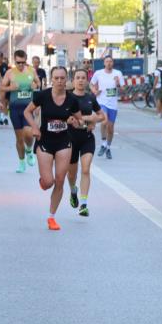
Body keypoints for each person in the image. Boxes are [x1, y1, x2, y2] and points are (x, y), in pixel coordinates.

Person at [22, 66, 87, 230]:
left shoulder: (72, 100)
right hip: (45, 141)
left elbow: (80, 120)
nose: (59, 81)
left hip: (63, 142)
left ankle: (51, 217)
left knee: (60, 180)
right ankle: (44, 182)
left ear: (66, 80)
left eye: (62, 78)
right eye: (56, 78)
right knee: (48, 182)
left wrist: (76, 122)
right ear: (51, 79)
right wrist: (34, 127)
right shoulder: (43, 95)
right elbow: (27, 112)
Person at [67, 68, 105, 216]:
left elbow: (102, 116)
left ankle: (83, 204)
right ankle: (73, 191)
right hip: (70, 138)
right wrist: (77, 120)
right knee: (71, 175)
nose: (81, 80)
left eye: (83, 78)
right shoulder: (68, 98)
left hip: (87, 138)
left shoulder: (91, 98)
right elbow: (64, 116)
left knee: (85, 169)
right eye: (78, 78)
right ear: (73, 81)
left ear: (87, 81)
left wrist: (91, 119)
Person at [0, 49, 40, 173]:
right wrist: (10, 88)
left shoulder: (32, 70)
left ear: (26, 60)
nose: (21, 65)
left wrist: (36, 85)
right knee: (19, 138)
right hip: (15, 108)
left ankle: (29, 150)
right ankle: (22, 162)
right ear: (14, 61)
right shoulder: (10, 73)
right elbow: (1, 87)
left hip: (28, 108)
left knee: (28, 132)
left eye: (23, 62)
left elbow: (38, 83)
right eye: (18, 63)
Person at [90, 55, 123, 159]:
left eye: (110, 61)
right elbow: (91, 84)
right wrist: (95, 91)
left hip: (113, 104)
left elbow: (123, 89)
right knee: (104, 121)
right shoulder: (98, 73)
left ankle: (108, 147)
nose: (109, 63)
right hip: (102, 102)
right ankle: (103, 143)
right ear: (104, 63)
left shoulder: (118, 73)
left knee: (111, 128)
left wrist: (118, 83)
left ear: (113, 63)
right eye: (107, 61)